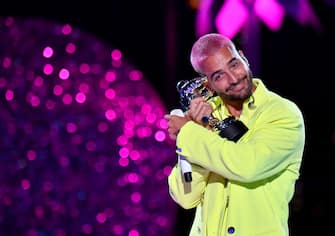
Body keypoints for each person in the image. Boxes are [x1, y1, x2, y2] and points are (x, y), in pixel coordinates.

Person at [165, 33, 305, 235]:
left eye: (234, 64)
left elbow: (247, 165)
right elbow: (185, 197)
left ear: (243, 58)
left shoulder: (283, 113)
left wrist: (188, 132)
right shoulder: (202, 117)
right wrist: (199, 130)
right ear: (208, 85)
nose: (233, 78)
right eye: (219, 76)